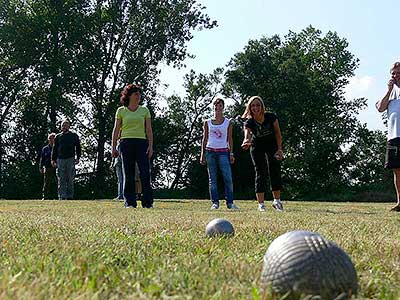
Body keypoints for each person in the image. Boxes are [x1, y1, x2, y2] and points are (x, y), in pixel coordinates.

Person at [111, 83, 153, 208]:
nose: (138, 96)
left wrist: (150, 146)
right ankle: (129, 202)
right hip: (126, 143)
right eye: (136, 94)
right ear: (128, 95)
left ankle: (147, 202)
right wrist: (113, 147)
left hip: (141, 143)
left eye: (139, 94)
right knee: (128, 174)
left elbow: (149, 129)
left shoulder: (144, 110)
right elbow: (116, 129)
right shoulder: (121, 111)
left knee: (145, 173)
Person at [241, 96, 284, 212]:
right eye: (253, 105)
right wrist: (246, 141)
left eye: (258, 105)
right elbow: (247, 135)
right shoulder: (249, 122)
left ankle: (277, 201)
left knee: (274, 169)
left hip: (272, 145)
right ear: (250, 108)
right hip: (257, 146)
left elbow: (278, 134)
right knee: (260, 171)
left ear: (262, 106)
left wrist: (279, 150)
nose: (256, 108)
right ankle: (261, 204)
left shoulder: (271, 117)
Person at [200, 97, 239, 210]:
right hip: (210, 151)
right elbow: (205, 138)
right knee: (213, 178)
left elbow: (230, 138)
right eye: (216, 106)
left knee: (228, 177)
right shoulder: (207, 122)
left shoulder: (228, 122)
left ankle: (230, 202)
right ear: (213, 107)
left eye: (220, 106)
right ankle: (215, 202)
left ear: (223, 107)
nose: (218, 108)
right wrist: (202, 154)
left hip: (223, 152)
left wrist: (231, 153)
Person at [376, 61, 400, 212]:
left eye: (399, 73)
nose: (396, 76)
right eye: (394, 73)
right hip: (394, 135)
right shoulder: (390, 92)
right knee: (397, 170)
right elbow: (380, 108)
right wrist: (389, 89)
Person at [51, 119, 81, 200]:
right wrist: (53, 160)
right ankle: (62, 196)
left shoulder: (74, 135)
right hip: (60, 159)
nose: (64, 127)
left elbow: (78, 147)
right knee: (61, 178)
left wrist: (78, 158)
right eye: (63, 125)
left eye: (66, 125)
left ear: (69, 126)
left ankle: (70, 196)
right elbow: (55, 149)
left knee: (70, 178)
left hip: (70, 159)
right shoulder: (58, 137)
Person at [39, 133, 57, 200]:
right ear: (48, 140)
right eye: (50, 138)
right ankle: (45, 197)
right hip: (47, 167)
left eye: (53, 138)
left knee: (57, 182)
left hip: (56, 167)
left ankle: (58, 196)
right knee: (46, 183)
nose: (51, 140)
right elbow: (42, 159)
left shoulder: (58, 147)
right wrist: (41, 167)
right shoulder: (45, 149)